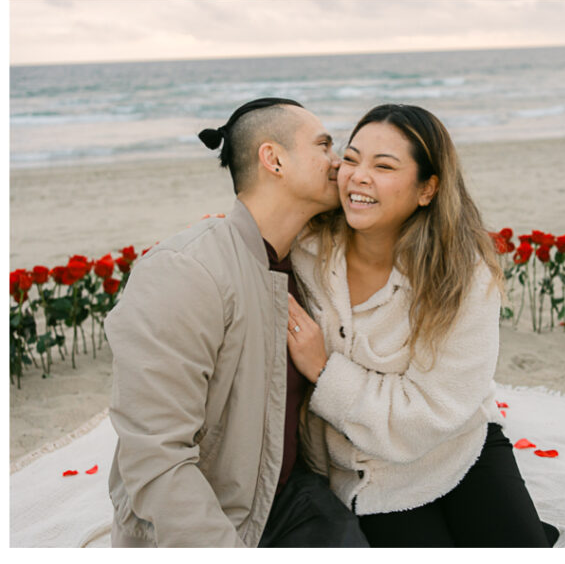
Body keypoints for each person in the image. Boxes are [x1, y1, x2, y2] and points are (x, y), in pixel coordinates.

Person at [288, 103, 560, 547]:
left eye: (384, 166)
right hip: (363, 478)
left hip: (455, 449)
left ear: (427, 189)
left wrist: (324, 371)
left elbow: (431, 413)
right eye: (351, 159)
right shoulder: (305, 250)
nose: (358, 176)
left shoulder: (463, 275)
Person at [105, 97, 368, 547]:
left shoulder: (305, 266)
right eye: (324, 145)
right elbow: (156, 458)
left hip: (289, 497)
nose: (337, 161)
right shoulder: (186, 270)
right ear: (274, 159)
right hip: (211, 519)